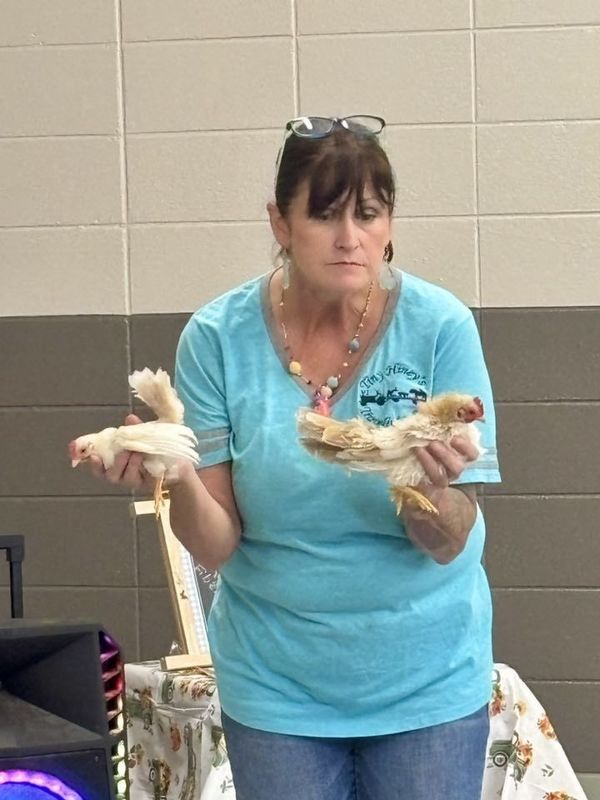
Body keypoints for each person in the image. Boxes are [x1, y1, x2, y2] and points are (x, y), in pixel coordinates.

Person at [98, 115, 501, 800]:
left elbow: (449, 540)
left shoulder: (439, 326)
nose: (350, 238)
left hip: (425, 679)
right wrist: (179, 472)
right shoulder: (218, 338)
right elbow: (218, 543)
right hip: (277, 685)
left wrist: (428, 487)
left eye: (368, 216)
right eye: (324, 216)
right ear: (280, 224)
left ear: (390, 223)